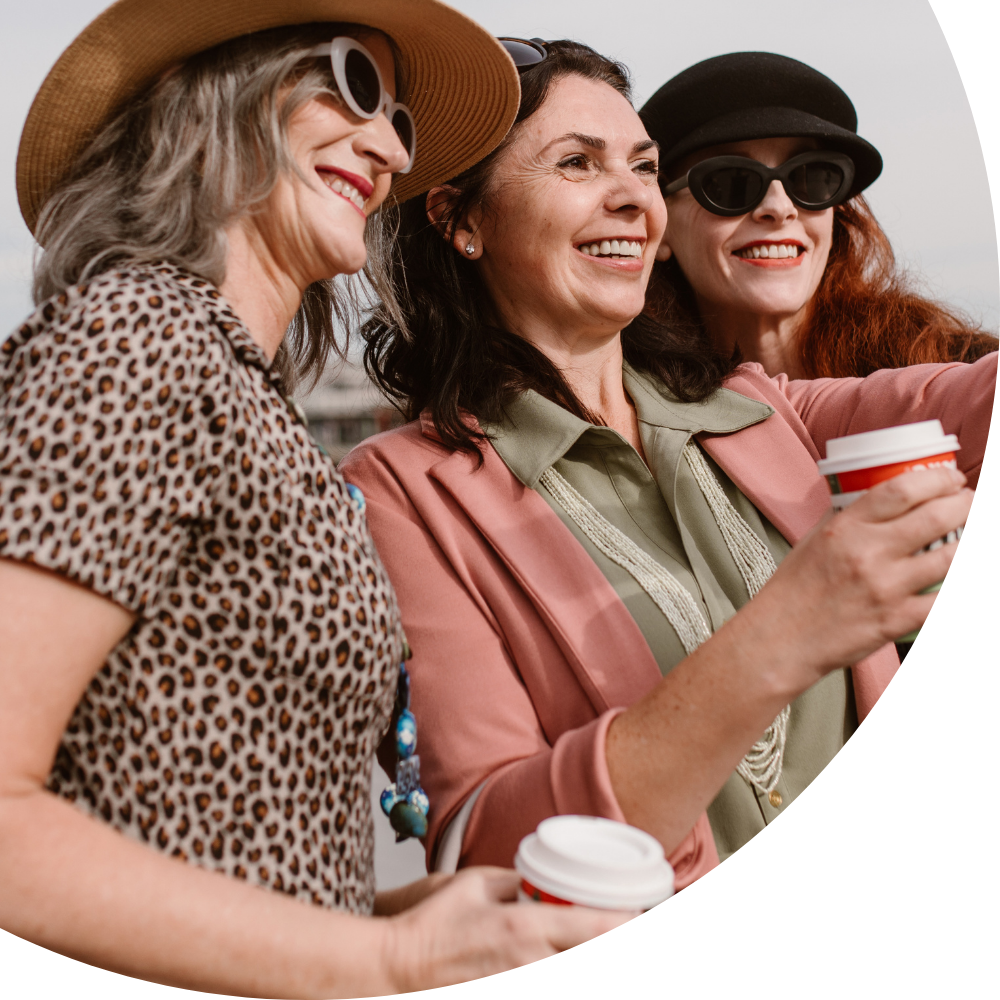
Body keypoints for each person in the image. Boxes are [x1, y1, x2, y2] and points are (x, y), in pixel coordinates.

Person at [0, 5, 625, 997]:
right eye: (354, 84)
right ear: (201, 95)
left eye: (402, 123)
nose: (384, 146)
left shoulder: (237, 387)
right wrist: (385, 958)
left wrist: (386, 916)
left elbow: (199, 835)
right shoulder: (136, 342)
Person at [340, 36, 991, 912]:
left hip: (920, 929)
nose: (630, 199)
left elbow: (970, 398)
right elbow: (489, 849)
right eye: (577, 163)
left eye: (643, 168)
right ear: (462, 220)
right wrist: (787, 631)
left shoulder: (760, 410)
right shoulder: (400, 490)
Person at [637, 51, 998, 380]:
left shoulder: (964, 373)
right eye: (731, 182)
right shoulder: (628, 420)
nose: (779, 208)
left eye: (810, 178)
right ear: (661, 222)